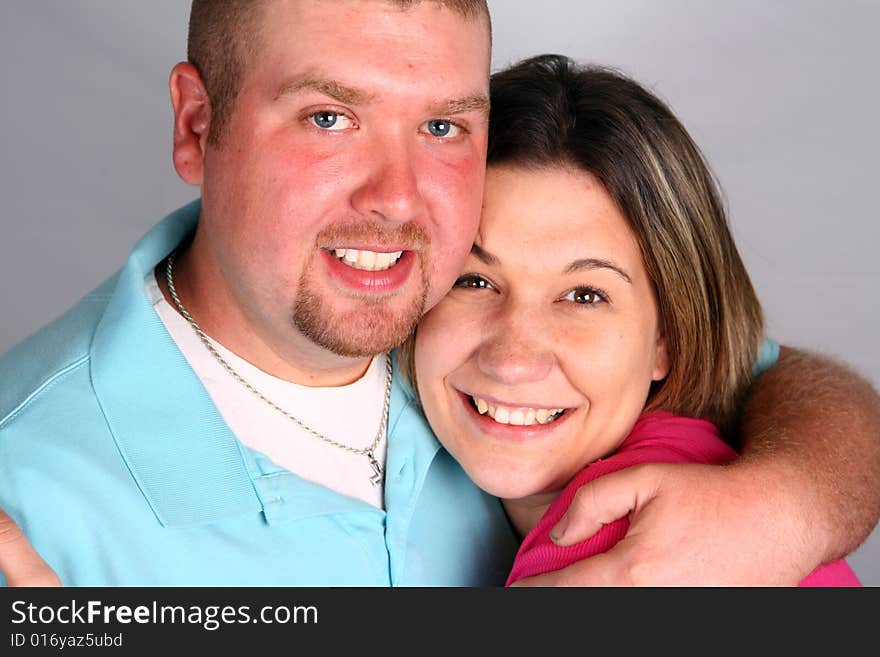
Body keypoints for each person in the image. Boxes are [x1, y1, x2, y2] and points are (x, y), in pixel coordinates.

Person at [0, 0, 878, 586]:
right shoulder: (31, 490)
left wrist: (784, 507)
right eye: (328, 117)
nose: (396, 197)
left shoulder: (436, 321)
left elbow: (777, 383)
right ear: (199, 125)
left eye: (441, 125)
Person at [408, 54, 860, 586]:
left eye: (583, 295)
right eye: (473, 281)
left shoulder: (626, 551)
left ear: (666, 336)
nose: (512, 360)